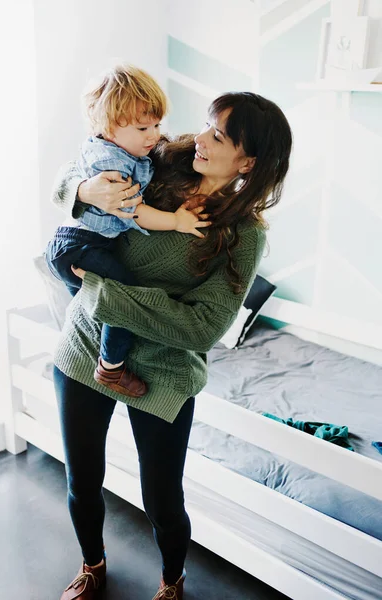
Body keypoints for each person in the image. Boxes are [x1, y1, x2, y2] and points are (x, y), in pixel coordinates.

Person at [51, 91, 292, 600]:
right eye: (207, 126)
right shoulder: (157, 163)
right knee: (82, 482)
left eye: (218, 137)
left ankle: (171, 581)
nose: (200, 139)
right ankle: (93, 565)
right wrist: (84, 189)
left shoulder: (241, 235)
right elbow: (67, 179)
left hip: (162, 370)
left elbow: (203, 327)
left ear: (248, 162)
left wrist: (101, 292)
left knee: (162, 499)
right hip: (83, 346)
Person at [45, 63, 206, 399]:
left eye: (157, 124)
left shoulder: (126, 150)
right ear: (109, 128)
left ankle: (100, 353)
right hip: (82, 245)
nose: (154, 135)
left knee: (98, 312)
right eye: (143, 127)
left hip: (77, 244)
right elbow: (138, 213)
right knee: (122, 298)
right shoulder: (113, 166)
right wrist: (177, 221)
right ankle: (111, 368)